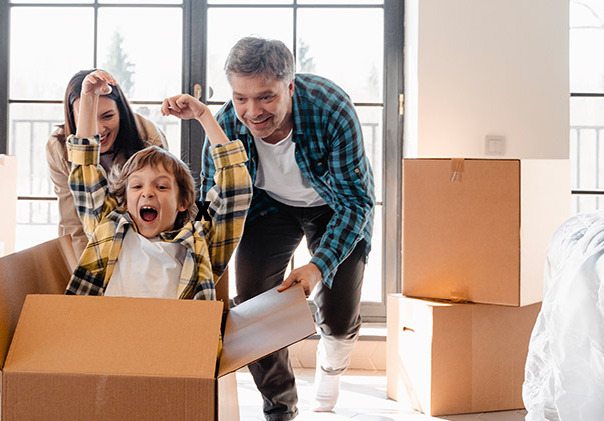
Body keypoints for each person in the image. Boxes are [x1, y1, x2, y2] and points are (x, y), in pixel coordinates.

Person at [199, 36, 375, 419]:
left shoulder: (331, 109)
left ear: (290, 86)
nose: (252, 111)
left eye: (266, 97)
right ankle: (280, 406)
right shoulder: (228, 121)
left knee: (338, 317)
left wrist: (317, 267)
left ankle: (332, 364)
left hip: (334, 204)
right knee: (253, 306)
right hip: (268, 207)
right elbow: (208, 198)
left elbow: (356, 202)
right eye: (241, 97)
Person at [64, 70, 252, 300]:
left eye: (161, 187)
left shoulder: (198, 240)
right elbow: (85, 173)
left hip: (173, 334)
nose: (148, 193)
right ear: (123, 200)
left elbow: (234, 191)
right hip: (111, 332)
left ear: (183, 202)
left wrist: (204, 115)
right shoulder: (109, 229)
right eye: (136, 187)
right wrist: (89, 98)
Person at [46, 69, 168, 257]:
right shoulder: (58, 147)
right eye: (86, 116)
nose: (98, 129)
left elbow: (162, 211)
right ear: (72, 115)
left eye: (108, 116)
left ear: (121, 112)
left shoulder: (148, 137)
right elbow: (72, 224)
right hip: (93, 238)